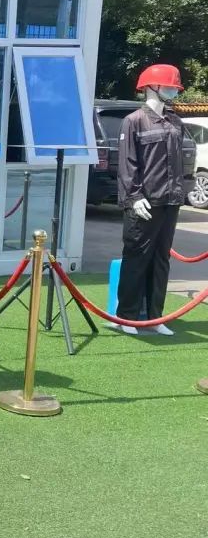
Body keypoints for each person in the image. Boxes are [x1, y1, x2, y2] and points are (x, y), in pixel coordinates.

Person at [115, 63, 187, 336]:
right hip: (144, 202)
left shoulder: (175, 122)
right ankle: (126, 317)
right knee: (136, 259)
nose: (173, 90)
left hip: (170, 201)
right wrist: (134, 196)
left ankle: (156, 317)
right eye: (169, 86)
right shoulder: (134, 121)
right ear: (152, 87)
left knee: (160, 260)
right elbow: (127, 164)